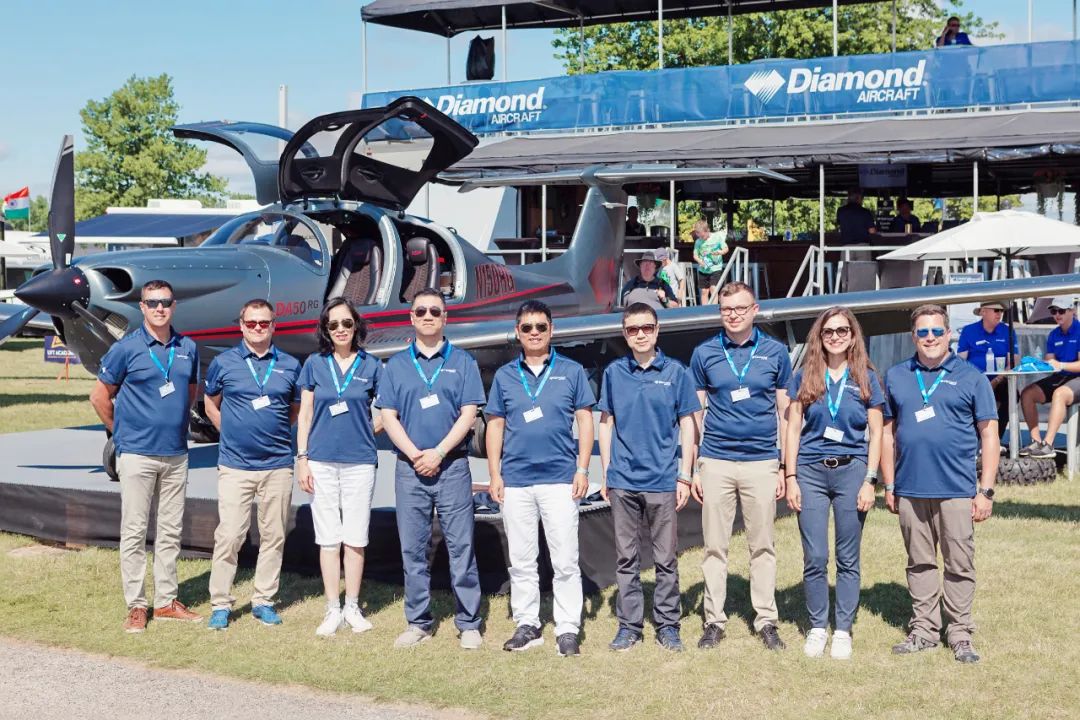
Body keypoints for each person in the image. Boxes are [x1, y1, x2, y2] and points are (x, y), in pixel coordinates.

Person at [881, 304, 998, 663]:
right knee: (919, 563)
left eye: (936, 331)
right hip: (910, 489)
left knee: (959, 564)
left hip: (957, 490)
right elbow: (886, 434)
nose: (929, 338)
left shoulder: (972, 377)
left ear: (949, 334)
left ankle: (960, 634)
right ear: (913, 336)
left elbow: (989, 435)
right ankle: (924, 631)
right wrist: (889, 484)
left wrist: (985, 490)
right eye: (923, 332)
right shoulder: (896, 375)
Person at [89, 280, 202, 633]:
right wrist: (121, 434)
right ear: (142, 307)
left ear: (174, 305)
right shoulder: (126, 348)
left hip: (176, 454)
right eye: (152, 303)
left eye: (165, 302)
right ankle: (137, 605)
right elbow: (99, 397)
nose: (159, 308)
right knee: (135, 531)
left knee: (170, 531)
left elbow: (190, 392)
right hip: (137, 454)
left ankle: (166, 601)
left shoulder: (188, 348)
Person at [377, 288, 486, 649]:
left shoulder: (463, 362)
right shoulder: (396, 365)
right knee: (412, 549)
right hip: (409, 470)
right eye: (421, 311)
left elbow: (469, 414)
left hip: (452, 467)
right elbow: (388, 416)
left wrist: (438, 452)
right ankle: (418, 622)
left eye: (435, 311)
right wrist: (415, 455)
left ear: (445, 318)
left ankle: (468, 623)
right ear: (411, 317)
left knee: (461, 547)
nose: (428, 316)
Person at [486, 301, 595, 657]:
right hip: (516, 480)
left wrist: (582, 469)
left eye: (541, 327)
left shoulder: (572, 371)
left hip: (560, 479)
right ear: (517, 332)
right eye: (527, 327)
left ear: (551, 330)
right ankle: (527, 624)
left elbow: (585, 420)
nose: (534, 333)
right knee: (521, 560)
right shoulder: (505, 376)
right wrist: (494, 473)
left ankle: (567, 628)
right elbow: (495, 426)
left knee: (565, 561)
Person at [690, 281, 791, 651]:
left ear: (754, 310)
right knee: (714, 547)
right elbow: (694, 413)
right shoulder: (704, 353)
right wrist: (695, 465)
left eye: (740, 308)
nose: (733, 315)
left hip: (761, 461)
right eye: (726, 309)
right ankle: (714, 621)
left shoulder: (775, 352)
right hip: (716, 460)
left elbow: (785, 412)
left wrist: (784, 466)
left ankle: (765, 620)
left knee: (762, 546)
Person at [598, 302, 699, 653]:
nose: (640, 334)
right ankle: (629, 626)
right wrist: (607, 472)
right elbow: (606, 423)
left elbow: (688, 425)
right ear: (624, 334)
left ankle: (668, 625)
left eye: (646, 328)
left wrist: (685, 475)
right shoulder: (613, 373)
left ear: (657, 330)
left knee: (665, 559)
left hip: (663, 480)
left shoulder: (676, 373)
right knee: (626, 559)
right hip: (623, 481)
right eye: (632, 329)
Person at [784, 307, 883, 660]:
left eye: (842, 330)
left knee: (847, 556)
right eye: (829, 331)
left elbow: (877, 433)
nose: (836, 336)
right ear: (819, 336)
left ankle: (842, 629)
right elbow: (792, 429)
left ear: (853, 336)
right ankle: (816, 627)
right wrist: (790, 476)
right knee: (815, 555)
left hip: (852, 471)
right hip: (810, 471)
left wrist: (870, 480)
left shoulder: (866, 377)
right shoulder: (804, 376)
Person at [204, 299, 301, 630]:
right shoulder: (223, 363)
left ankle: (263, 600)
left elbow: (294, 410)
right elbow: (210, 403)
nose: (257, 328)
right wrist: (228, 430)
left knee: (274, 536)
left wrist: (273, 432)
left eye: (264, 323)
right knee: (230, 535)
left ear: (274, 325)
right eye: (251, 323)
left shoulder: (290, 365)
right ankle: (220, 603)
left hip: (277, 465)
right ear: (241, 325)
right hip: (235, 465)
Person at [296, 298, 384, 637]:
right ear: (325, 329)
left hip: (360, 462)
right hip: (320, 461)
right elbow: (305, 414)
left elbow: (387, 411)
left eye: (347, 323)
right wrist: (302, 458)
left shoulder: (372, 365)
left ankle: (353, 606)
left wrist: (366, 431)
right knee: (328, 538)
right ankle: (333, 607)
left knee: (356, 537)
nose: (341, 329)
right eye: (333, 325)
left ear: (356, 325)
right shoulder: (314, 364)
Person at [1019, 296, 1080, 459]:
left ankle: (1048, 444)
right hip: (1062, 376)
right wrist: (1041, 363)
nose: (1057, 315)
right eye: (1054, 311)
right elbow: (1050, 360)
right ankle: (1036, 441)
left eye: (1061, 311)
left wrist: (1060, 365)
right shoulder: (1054, 334)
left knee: (1059, 394)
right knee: (1027, 394)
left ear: (1072, 311)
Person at [957, 300, 1018, 438]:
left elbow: (1014, 362)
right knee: (963, 396)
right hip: (974, 381)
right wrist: (979, 381)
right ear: (983, 312)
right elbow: (961, 361)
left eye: (1001, 311)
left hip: (1000, 380)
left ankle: (995, 439)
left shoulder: (1008, 331)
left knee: (1013, 395)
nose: (999, 314)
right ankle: (972, 439)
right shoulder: (968, 331)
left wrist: (996, 380)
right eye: (996, 310)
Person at [692, 220, 729, 306]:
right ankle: (705, 309)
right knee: (704, 291)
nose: (701, 238)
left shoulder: (717, 237)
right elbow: (695, 255)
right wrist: (700, 261)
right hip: (703, 269)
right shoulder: (698, 242)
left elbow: (726, 249)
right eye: (699, 236)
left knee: (713, 289)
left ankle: (713, 308)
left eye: (703, 236)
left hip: (715, 268)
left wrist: (719, 252)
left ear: (708, 230)